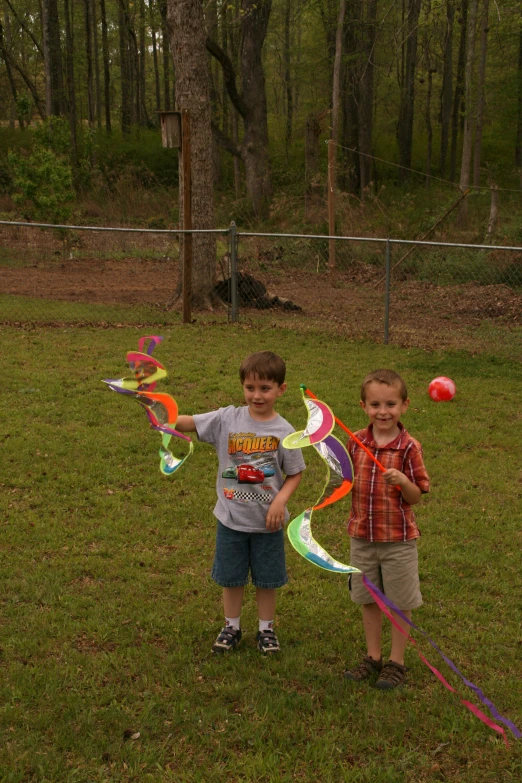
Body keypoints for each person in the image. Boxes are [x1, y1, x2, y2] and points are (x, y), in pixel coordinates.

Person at [176, 351, 305, 655]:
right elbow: (189, 422)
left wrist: (280, 502)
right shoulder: (227, 418)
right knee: (231, 577)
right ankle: (231, 626)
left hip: (268, 523)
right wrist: (161, 416)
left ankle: (266, 630)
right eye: (250, 388)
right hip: (231, 518)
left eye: (265, 388)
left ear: (280, 389)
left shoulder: (285, 432)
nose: (257, 395)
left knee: (267, 580)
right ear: (243, 387)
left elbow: (295, 474)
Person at [344, 369, 430, 690]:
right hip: (362, 537)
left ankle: (396, 661)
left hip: (397, 541)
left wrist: (403, 481)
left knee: (398, 600)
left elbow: (416, 496)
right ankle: (373, 656)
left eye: (391, 404)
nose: (383, 411)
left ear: (404, 405)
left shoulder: (409, 448)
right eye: (376, 404)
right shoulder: (355, 442)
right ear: (364, 405)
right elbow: (345, 480)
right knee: (368, 598)